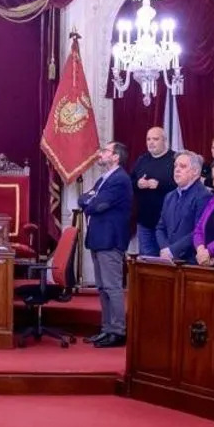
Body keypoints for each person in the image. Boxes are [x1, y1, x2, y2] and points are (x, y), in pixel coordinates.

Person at [79, 142, 133, 347]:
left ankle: (118, 332)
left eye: (105, 151)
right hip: (98, 239)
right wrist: (90, 201)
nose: (100, 154)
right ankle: (106, 329)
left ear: (116, 157)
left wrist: (90, 201)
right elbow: (83, 199)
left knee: (112, 287)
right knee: (102, 287)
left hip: (110, 240)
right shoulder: (104, 179)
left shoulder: (119, 180)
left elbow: (97, 205)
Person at [155, 151, 213, 263]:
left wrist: (172, 250)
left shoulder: (204, 196)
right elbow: (160, 228)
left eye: (183, 166)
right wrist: (165, 249)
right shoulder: (169, 196)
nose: (177, 169)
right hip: (167, 259)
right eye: (175, 166)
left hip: (190, 261)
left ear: (195, 171)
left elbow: (199, 231)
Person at [131, 126, 175, 256]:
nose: (151, 142)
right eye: (148, 139)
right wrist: (138, 183)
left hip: (166, 223)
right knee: (145, 261)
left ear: (164, 140)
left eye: (155, 139)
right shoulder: (142, 159)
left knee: (165, 261)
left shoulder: (174, 159)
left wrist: (159, 184)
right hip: (144, 221)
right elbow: (130, 181)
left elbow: (180, 185)